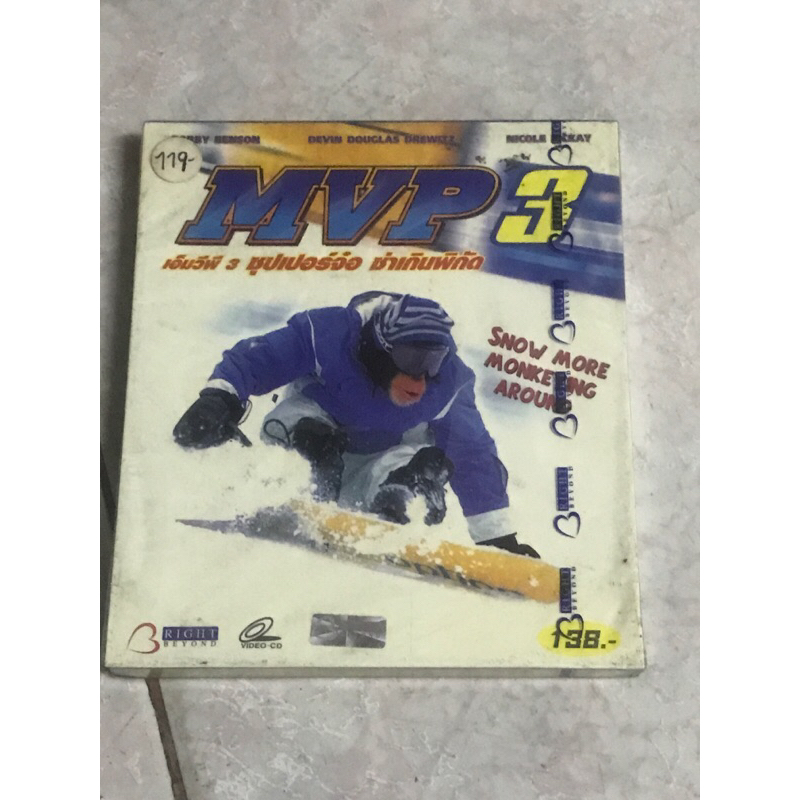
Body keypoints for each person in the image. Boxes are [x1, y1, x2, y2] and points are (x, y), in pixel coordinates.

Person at [173, 291, 540, 559]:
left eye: (433, 362)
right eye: (412, 359)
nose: (421, 377)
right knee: (301, 425)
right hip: (313, 432)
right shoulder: (327, 337)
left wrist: (496, 539)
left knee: (420, 457)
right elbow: (259, 359)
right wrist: (219, 399)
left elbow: (472, 452)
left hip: (382, 456)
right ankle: (296, 480)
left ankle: (401, 495)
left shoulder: (448, 383)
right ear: (379, 348)